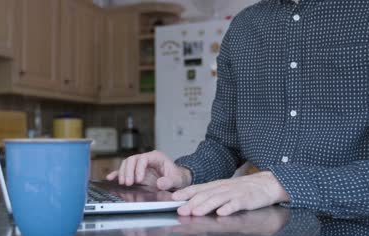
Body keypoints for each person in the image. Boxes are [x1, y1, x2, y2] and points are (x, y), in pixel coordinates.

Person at [107, 0, 369, 219]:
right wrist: (184, 174)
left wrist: (279, 184)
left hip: (347, 235)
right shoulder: (244, 27)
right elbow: (224, 144)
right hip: (256, 229)